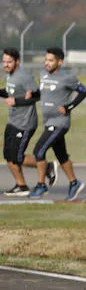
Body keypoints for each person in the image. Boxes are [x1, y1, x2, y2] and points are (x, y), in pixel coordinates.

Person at [29, 48, 86, 201]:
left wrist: (69, 107)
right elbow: (44, 93)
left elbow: (83, 91)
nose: (47, 63)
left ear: (59, 62)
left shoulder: (67, 77)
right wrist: (33, 95)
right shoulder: (43, 75)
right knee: (61, 155)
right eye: (46, 60)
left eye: (51, 60)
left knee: (39, 151)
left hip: (59, 123)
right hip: (48, 122)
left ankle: (41, 184)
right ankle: (74, 183)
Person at [2, 48, 40, 196]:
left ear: (17, 61)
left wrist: (16, 101)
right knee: (7, 155)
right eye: (4, 62)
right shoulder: (10, 76)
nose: (5, 65)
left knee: (16, 156)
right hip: (13, 120)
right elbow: (10, 92)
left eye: (9, 62)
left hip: (25, 122)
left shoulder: (24, 76)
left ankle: (45, 166)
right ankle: (21, 186)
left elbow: (37, 95)